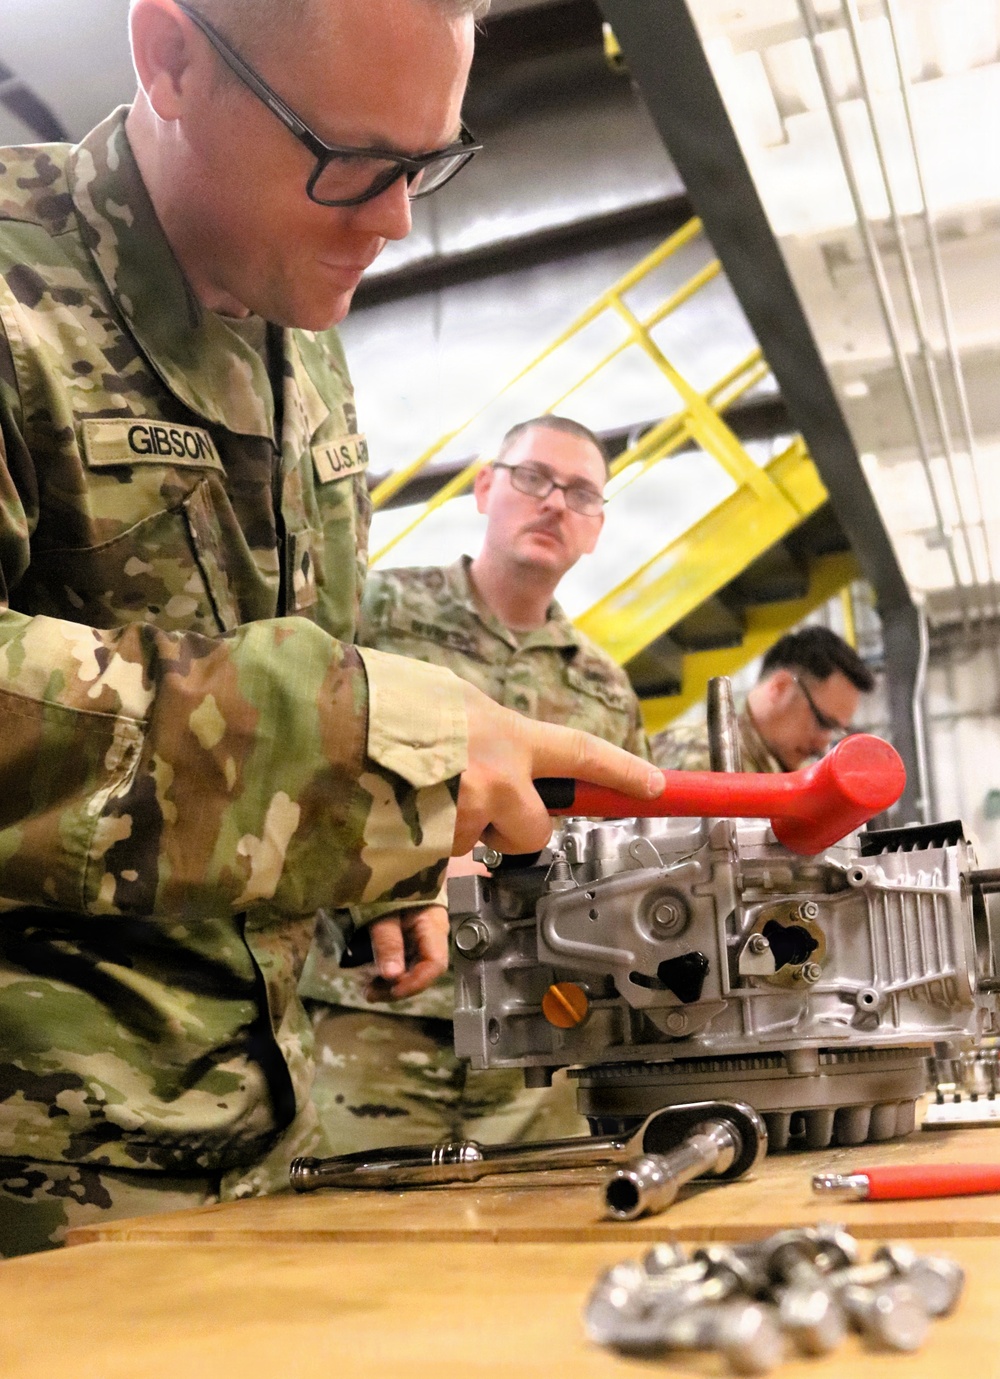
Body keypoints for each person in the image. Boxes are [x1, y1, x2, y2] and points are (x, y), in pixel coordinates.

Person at [0, 0, 665, 1256]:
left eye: (426, 162)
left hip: (271, 1129)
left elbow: (291, 645)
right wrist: (357, 756)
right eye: (353, 159)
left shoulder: (300, 341)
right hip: (37, 1170)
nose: (397, 218)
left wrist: (372, 864)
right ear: (172, 57)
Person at [300, 416, 650, 1147]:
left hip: (541, 1030)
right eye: (533, 478)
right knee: (351, 1215)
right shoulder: (374, 614)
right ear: (486, 487)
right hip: (376, 1011)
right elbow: (300, 762)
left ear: (596, 528)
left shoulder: (606, 689)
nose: (553, 502)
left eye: (581, 493)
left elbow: (626, 854)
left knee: (542, 1215)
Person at [651, 626, 875, 773]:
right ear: (780, 687)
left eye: (835, 730)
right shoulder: (702, 759)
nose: (823, 742)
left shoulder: (782, 769)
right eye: (822, 721)